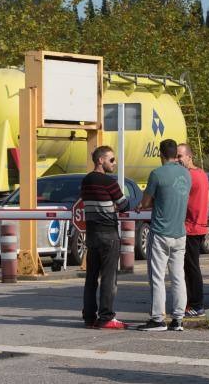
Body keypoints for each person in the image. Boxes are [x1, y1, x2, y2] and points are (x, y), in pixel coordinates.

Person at [135, 139, 191, 332]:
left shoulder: (157, 174)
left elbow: (145, 201)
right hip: (180, 233)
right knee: (178, 277)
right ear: (176, 154)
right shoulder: (186, 173)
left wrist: (142, 205)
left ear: (160, 154)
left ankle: (158, 319)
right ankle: (178, 319)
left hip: (160, 232)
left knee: (157, 277)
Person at [81, 146, 129, 330]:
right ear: (100, 160)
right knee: (109, 278)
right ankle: (106, 316)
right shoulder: (108, 182)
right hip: (108, 233)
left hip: (92, 234)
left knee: (91, 277)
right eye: (111, 160)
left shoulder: (86, 181)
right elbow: (124, 204)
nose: (114, 163)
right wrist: (113, 206)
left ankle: (89, 316)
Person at [177, 143, 209, 317]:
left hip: (191, 227)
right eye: (176, 156)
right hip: (199, 226)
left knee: (191, 267)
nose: (177, 159)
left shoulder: (188, 176)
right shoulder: (202, 174)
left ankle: (197, 304)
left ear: (190, 156)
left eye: (180, 156)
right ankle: (192, 303)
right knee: (189, 267)